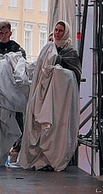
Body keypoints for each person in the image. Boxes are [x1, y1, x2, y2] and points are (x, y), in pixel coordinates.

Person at [23, 19, 81, 171]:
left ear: (66, 32)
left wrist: (58, 71)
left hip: (60, 101)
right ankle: (41, 159)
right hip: (45, 95)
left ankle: (54, 159)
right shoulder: (49, 48)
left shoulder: (71, 52)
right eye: (56, 30)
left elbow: (75, 75)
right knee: (42, 127)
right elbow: (39, 69)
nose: (57, 33)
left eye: (61, 30)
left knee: (57, 129)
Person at [0, 21, 30, 167]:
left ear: (10, 33)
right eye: (1, 33)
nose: (3, 35)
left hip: (13, 93)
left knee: (19, 122)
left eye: (6, 32)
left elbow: (22, 71)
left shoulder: (18, 50)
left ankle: (16, 153)